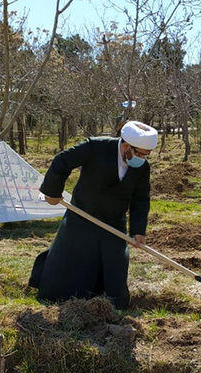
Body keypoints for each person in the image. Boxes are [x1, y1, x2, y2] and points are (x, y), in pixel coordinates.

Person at [31, 120, 156, 309]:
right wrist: (52, 192)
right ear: (125, 145)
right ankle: (60, 300)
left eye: (146, 156)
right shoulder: (96, 147)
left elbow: (140, 199)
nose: (142, 159)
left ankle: (109, 307)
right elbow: (62, 161)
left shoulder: (142, 168)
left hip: (113, 223)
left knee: (114, 270)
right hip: (82, 216)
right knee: (70, 265)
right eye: (139, 154)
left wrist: (138, 230)